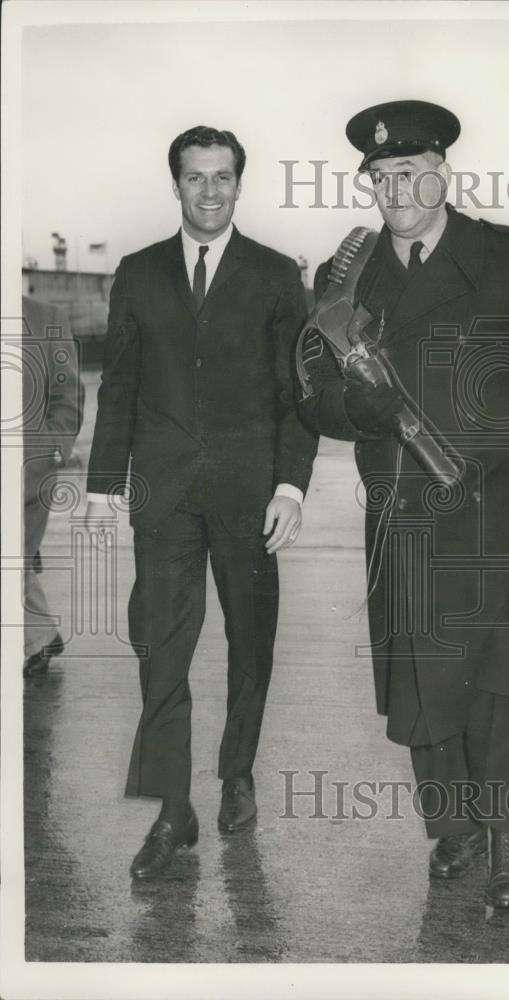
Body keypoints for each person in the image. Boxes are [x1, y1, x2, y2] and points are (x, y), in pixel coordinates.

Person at [297, 100, 509, 910]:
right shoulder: (346, 278)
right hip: (404, 509)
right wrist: (350, 412)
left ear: (443, 172)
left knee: (502, 684)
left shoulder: (507, 255)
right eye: (380, 175)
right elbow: (307, 395)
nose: (396, 187)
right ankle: (455, 828)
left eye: (410, 170)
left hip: (504, 508)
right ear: (365, 182)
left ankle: (508, 843)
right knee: (422, 679)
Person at [85, 125, 318, 879]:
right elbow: (118, 384)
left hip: (251, 495)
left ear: (239, 184)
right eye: (196, 178)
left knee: (251, 645)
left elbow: (297, 396)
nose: (210, 191)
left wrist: (290, 484)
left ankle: (237, 770)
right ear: (175, 185)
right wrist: (101, 484)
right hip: (164, 493)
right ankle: (171, 809)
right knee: (160, 648)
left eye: (223, 177)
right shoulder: (139, 273)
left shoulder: (278, 275)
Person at [22, 296, 84, 677]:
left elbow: (68, 396)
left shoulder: (46, 318)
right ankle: (41, 636)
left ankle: (36, 640)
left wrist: (51, 448)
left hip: (27, 472)